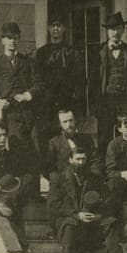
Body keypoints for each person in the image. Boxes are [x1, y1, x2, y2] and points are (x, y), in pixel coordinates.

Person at [48, 145, 127, 253]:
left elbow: (107, 199)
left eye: (84, 159)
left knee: (111, 223)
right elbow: (53, 205)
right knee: (70, 225)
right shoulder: (58, 178)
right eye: (78, 159)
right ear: (70, 160)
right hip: (70, 219)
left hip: (91, 220)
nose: (81, 163)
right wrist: (76, 214)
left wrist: (97, 213)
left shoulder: (94, 178)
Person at [0, 21, 42, 190]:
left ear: (18, 39)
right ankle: (21, 190)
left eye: (15, 37)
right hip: (11, 114)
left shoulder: (27, 62)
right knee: (17, 150)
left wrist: (28, 94)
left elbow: (38, 84)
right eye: (8, 38)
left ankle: (34, 191)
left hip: (29, 112)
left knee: (35, 150)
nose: (12, 41)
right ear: (2, 41)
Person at [34, 14, 86, 164]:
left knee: (67, 136)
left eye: (59, 26)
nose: (55, 29)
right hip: (47, 104)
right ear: (49, 29)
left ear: (64, 29)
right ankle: (52, 171)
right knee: (49, 138)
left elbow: (79, 79)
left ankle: (68, 166)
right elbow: (37, 78)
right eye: (52, 26)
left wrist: (75, 101)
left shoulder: (72, 52)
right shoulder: (42, 53)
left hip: (67, 102)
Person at [95, 12, 127, 155]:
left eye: (118, 28)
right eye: (112, 29)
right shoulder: (98, 51)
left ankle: (126, 170)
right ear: (107, 31)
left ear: (123, 30)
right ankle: (105, 173)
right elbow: (93, 79)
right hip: (105, 101)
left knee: (126, 137)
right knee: (104, 138)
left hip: (125, 102)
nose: (115, 32)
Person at [44, 108, 101, 179]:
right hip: (65, 184)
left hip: (87, 181)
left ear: (75, 120)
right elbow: (50, 168)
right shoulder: (54, 143)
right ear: (60, 124)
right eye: (65, 122)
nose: (69, 124)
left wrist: (93, 177)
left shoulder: (86, 139)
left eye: (71, 120)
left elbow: (95, 160)